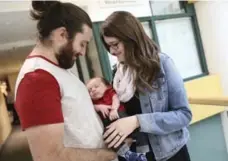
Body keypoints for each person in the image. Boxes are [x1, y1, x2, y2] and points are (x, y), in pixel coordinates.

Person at [14, 1, 116, 161]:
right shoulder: (36, 79)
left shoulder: (56, 71)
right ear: (62, 35)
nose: (83, 52)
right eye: (82, 44)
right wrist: (109, 155)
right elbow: (49, 156)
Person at [100, 11, 192, 161]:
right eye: (108, 46)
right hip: (137, 155)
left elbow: (184, 115)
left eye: (115, 44)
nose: (111, 51)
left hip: (170, 155)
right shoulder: (119, 73)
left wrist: (137, 121)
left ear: (131, 39)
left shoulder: (162, 64)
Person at [86, 77, 147, 161]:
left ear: (107, 86)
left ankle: (143, 152)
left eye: (96, 86)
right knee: (107, 137)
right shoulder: (93, 102)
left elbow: (116, 99)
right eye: (89, 90)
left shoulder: (109, 92)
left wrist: (114, 109)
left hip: (120, 116)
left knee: (139, 128)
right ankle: (127, 154)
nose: (92, 90)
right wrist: (98, 106)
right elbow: (89, 107)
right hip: (108, 124)